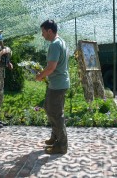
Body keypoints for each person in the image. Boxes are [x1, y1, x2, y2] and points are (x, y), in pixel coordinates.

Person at [35, 20, 70, 154]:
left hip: (57, 85)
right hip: (59, 83)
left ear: (50, 31)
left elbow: (51, 67)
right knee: (49, 109)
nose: (42, 35)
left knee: (56, 114)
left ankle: (61, 145)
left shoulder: (55, 45)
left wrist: (40, 76)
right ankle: (55, 137)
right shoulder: (62, 41)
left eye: (43, 32)